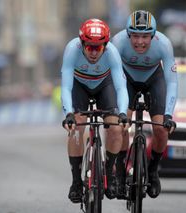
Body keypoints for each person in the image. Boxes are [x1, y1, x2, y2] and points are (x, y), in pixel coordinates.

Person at [60, 18, 130, 203]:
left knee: (116, 129)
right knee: (76, 128)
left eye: (98, 48)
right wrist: (68, 114)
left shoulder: (112, 53)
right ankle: (76, 182)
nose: (93, 52)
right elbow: (66, 87)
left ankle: (109, 172)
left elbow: (121, 87)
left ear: (105, 46)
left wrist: (122, 113)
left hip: (104, 85)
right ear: (82, 43)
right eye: (89, 47)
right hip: (79, 85)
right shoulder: (71, 50)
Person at [111, 10, 178, 199]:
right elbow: (113, 78)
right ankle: (121, 171)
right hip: (127, 80)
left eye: (145, 36)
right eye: (135, 36)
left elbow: (171, 81)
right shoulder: (118, 42)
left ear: (153, 35)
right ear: (128, 34)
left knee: (161, 129)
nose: (140, 42)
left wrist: (168, 115)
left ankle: (153, 170)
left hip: (153, 79)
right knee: (122, 124)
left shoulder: (164, 44)